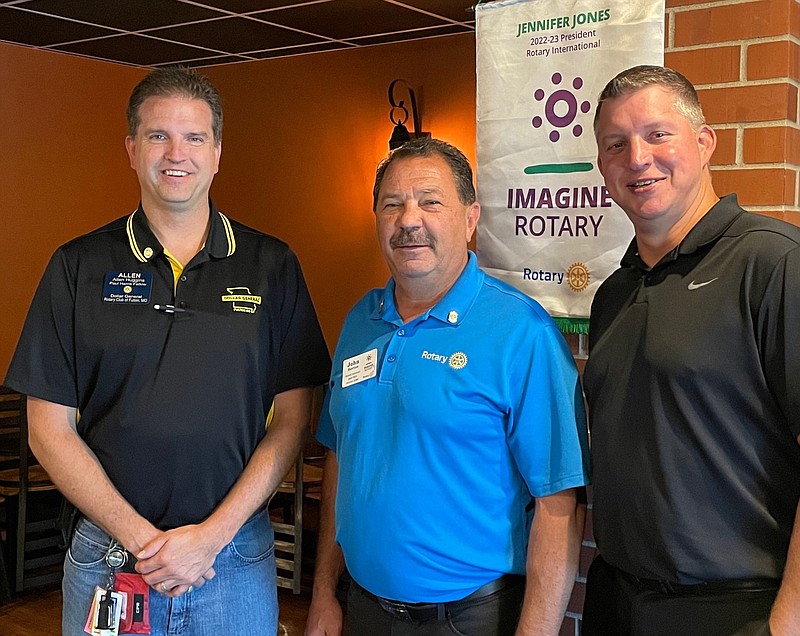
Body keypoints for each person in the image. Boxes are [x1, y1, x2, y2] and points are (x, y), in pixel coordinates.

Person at [4, 66, 331, 635]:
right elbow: (47, 430)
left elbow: (292, 423)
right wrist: (144, 541)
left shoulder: (272, 266)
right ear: (131, 148)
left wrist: (209, 538)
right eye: (158, 135)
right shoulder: (77, 267)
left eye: (195, 137)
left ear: (218, 152)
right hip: (112, 559)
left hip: (232, 560)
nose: (176, 152)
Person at [305, 138, 590, 636]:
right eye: (392, 204)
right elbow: (340, 457)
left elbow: (558, 502)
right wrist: (325, 593)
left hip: (469, 619)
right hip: (363, 610)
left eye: (430, 202)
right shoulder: (360, 322)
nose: (409, 219)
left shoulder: (520, 331)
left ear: (470, 217)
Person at [582, 64, 800, 635]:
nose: (637, 157)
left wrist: (788, 622)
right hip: (617, 602)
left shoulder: (773, 263)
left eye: (657, 134)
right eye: (616, 144)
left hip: (737, 612)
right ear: (603, 168)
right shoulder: (614, 293)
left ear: (704, 143)